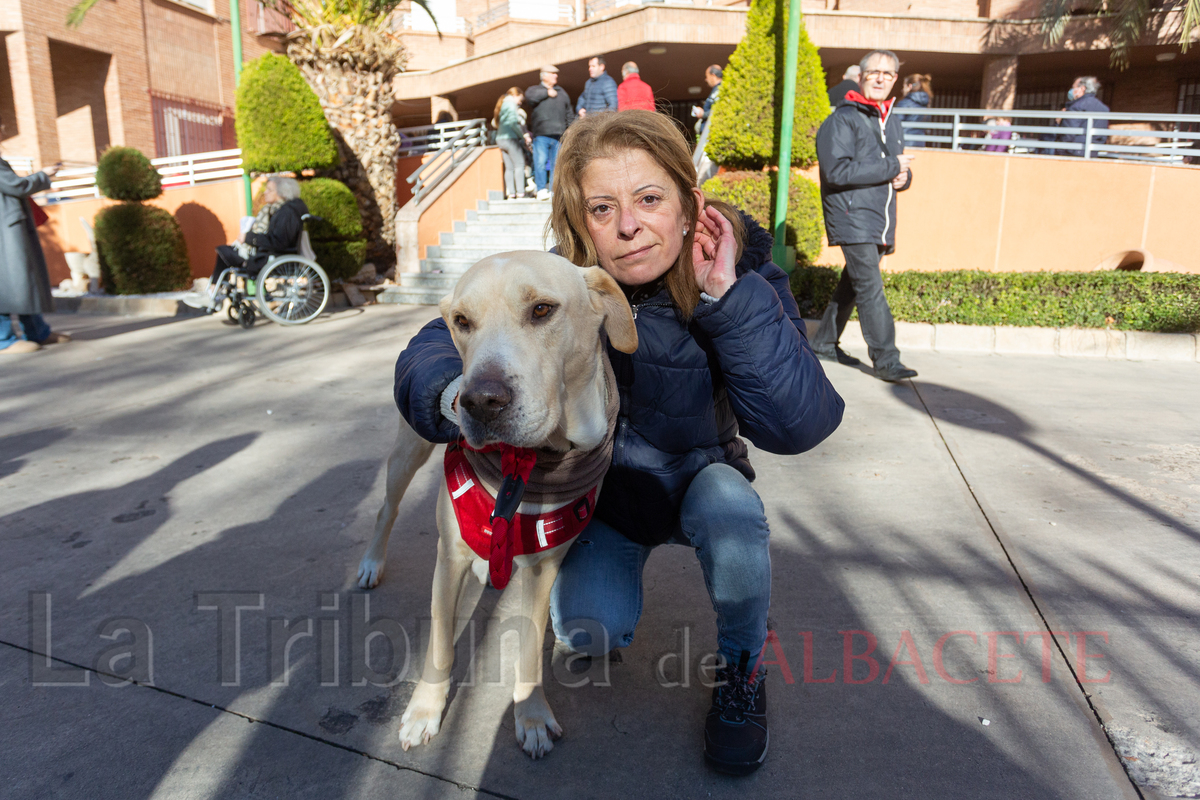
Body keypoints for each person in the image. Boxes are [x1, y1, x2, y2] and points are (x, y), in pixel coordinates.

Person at [393, 109, 845, 776]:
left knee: (731, 510)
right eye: (603, 209)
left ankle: (744, 666)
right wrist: (446, 395)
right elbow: (436, 343)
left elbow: (799, 424)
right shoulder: (560, 285)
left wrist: (727, 300)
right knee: (587, 630)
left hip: (699, 480)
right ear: (582, 224)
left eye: (650, 199)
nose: (629, 225)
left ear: (692, 206)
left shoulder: (744, 279)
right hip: (608, 501)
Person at [811, 49, 918, 382]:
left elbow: (893, 169)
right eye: (874, 72)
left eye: (888, 74)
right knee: (871, 287)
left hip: (879, 218)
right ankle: (887, 359)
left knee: (852, 285)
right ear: (861, 76)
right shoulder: (842, 119)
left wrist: (904, 178)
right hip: (853, 216)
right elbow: (836, 171)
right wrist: (891, 167)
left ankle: (825, 343)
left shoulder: (890, 119)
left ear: (895, 80)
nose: (881, 78)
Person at [182, 175, 307, 311]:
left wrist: (249, 238)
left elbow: (280, 242)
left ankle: (213, 294)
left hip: (271, 258)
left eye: (269, 189)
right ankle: (213, 293)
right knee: (225, 252)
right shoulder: (280, 210)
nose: (265, 192)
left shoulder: (286, 213)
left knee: (225, 252)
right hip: (268, 254)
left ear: (282, 192)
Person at [1, 126, 68, 355]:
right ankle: (4, 340)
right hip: (5, 231)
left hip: (9, 229)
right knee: (8, 284)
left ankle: (38, 332)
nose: (2, 130)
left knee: (23, 281)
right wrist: (44, 175)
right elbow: (16, 186)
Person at [524, 65, 573, 200]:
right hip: (541, 134)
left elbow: (569, 112)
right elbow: (529, 98)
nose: (556, 76)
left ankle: (554, 191)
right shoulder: (535, 90)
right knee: (540, 162)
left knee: (557, 164)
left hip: (559, 135)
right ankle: (541, 190)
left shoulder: (561, 92)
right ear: (544, 75)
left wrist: (570, 128)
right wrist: (547, 93)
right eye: (552, 73)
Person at [1058, 76, 1109, 157]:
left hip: (1073, 151)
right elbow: (1102, 135)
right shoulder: (1103, 108)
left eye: (1073, 87)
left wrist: (1060, 150)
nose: (1071, 91)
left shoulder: (1077, 106)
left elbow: (1068, 133)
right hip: (1092, 152)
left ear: (1082, 89)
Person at [494, 87, 529, 199]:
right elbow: (514, 123)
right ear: (515, 95)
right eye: (520, 99)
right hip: (510, 138)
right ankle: (520, 193)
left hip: (500, 138)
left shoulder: (502, 104)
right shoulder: (510, 104)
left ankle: (511, 193)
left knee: (509, 167)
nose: (520, 102)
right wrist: (522, 136)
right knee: (519, 164)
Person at [692, 65, 724, 185]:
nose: (706, 80)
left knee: (704, 171)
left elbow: (718, 110)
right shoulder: (716, 90)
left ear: (713, 75)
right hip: (707, 135)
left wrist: (703, 114)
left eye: (707, 76)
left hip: (710, 137)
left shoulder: (720, 90)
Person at [894, 73, 933, 146]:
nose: (902, 90)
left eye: (904, 86)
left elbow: (895, 125)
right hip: (920, 143)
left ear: (909, 86)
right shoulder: (927, 103)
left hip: (905, 143)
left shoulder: (904, 103)